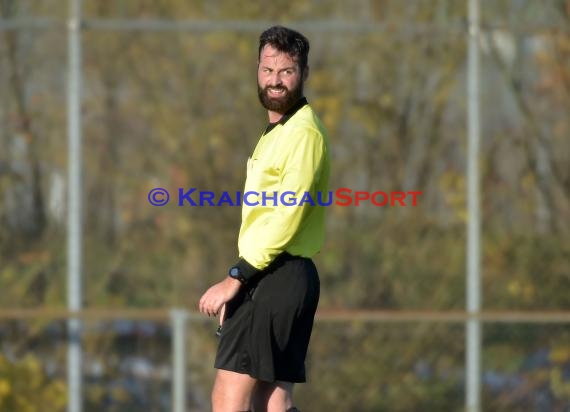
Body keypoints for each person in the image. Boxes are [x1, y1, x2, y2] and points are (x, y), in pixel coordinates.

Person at [199, 25, 330, 412]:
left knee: (229, 396)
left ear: (303, 74)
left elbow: (286, 216)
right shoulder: (276, 132)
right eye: (267, 70)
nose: (275, 80)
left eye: (286, 71)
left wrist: (236, 278)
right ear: (257, 71)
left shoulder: (303, 135)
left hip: (275, 275)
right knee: (272, 401)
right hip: (276, 276)